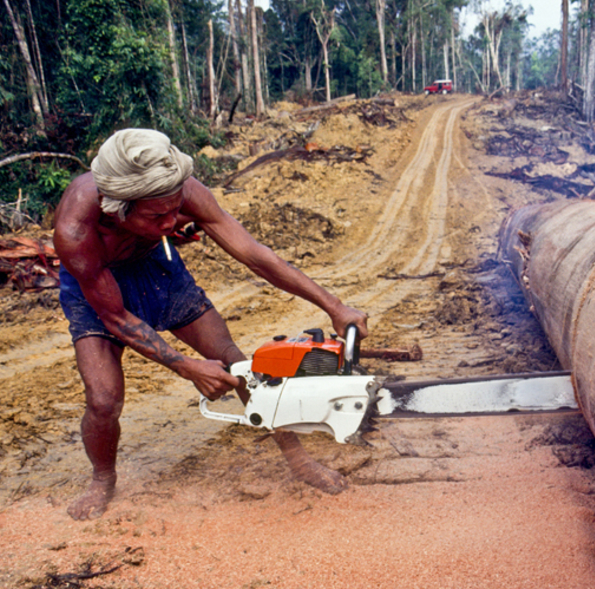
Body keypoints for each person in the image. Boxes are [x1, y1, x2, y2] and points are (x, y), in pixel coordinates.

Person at [53, 128, 369, 520]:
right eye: (158, 216)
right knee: (103, 400)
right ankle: (102, 478)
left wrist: (333, 305)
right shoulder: (76, 230)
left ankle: (299, 461)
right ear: (118, 207)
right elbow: (116, 316)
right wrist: (184, 366)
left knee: (239, 366)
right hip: (96, 283)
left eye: (176, 209)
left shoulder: (183, 190)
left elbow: (255, 255)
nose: (174, 221)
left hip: (157, 268)